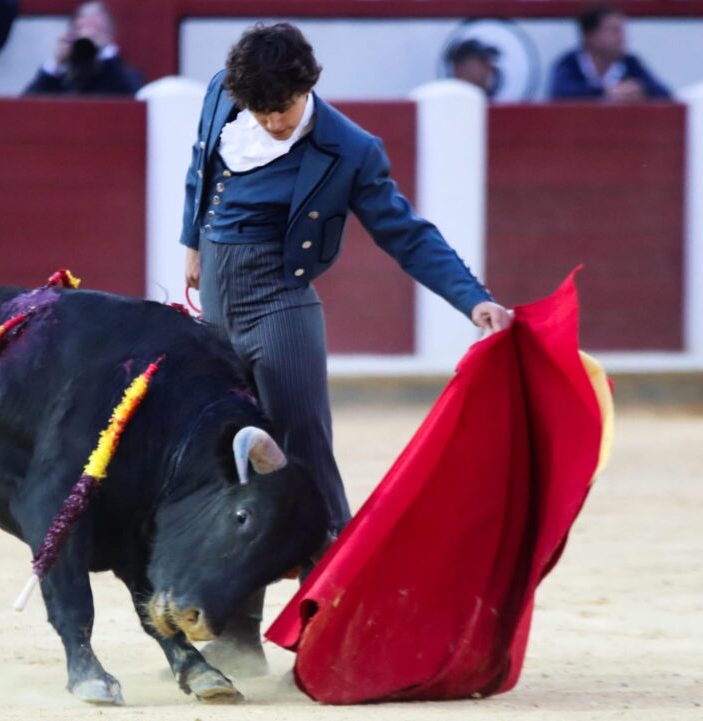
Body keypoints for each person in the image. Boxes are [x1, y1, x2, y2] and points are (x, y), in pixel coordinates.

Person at [181, 22, 511, 677]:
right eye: (260, 109)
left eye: (282, 107)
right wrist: (192, 242)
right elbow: (202, 163)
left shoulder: (350, 149)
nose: (271, 121)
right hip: (218, 305)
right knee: (228, 468)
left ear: (309, 85)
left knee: (304, 468)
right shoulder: (226, 92)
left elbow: (408, 234)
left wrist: (471, 298)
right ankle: (238, 639)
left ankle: (354, 625)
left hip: (281, 308)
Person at [549, 4, 671, 101]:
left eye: (622, 32)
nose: (622, 39)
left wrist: (641, 91)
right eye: (614, 31)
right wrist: (605, 92)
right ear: (590, 36)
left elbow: (665, 95)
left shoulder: (630, 63)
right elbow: (560, 93)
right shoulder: (569, 63)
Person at [22, 1, 142, 96]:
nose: (87, 37)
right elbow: (27, 106)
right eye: (80, 30)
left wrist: (105, 51)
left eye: (97, 31)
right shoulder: (62, 78)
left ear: (110, 36)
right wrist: (56, 63)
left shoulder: (125, 74)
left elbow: (129, 97)